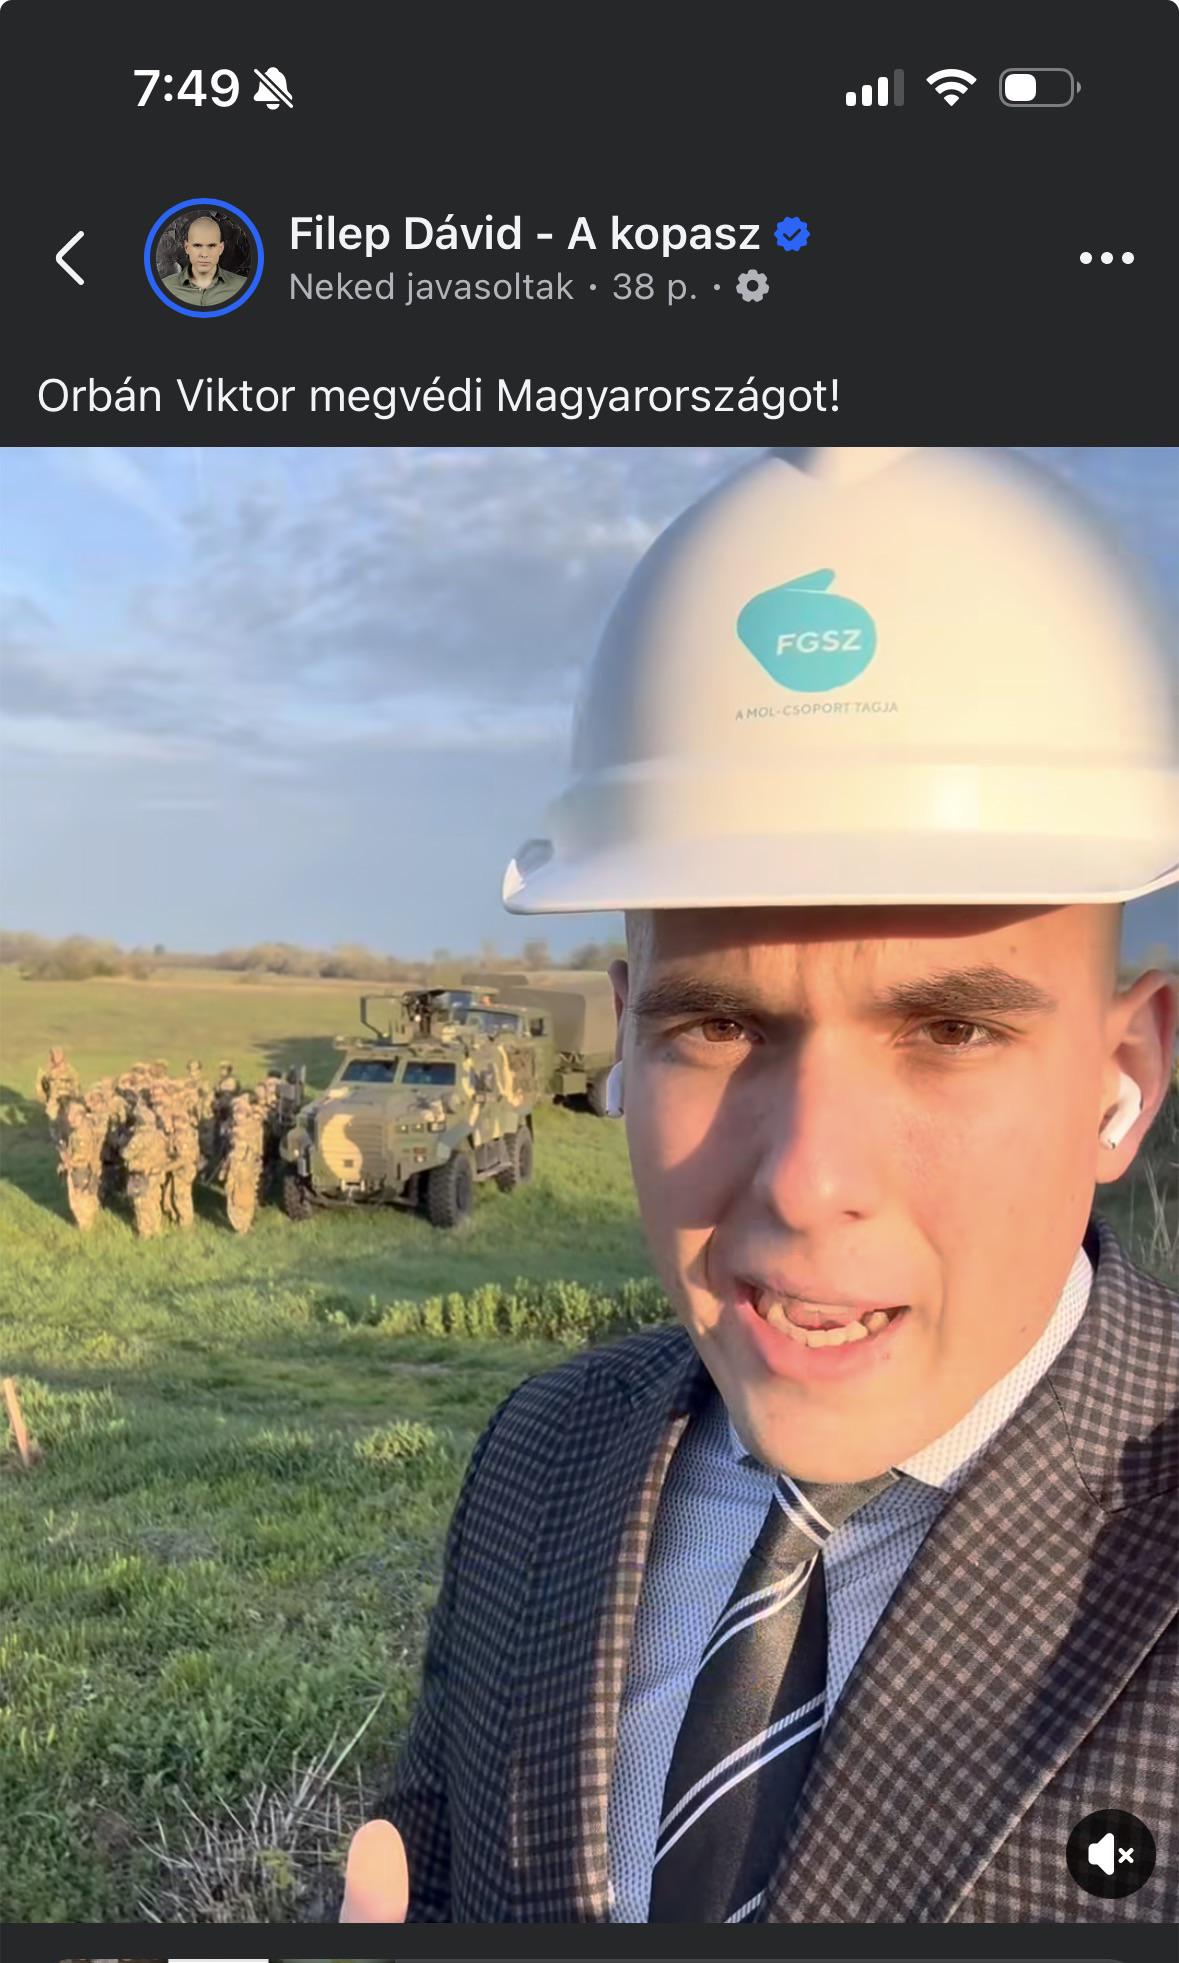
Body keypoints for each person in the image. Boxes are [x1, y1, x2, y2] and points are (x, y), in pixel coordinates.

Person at [341, 448, 1179, 1925]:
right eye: (718, 1026)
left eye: (950, 1031)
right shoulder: (542, 1459)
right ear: (626, 1032)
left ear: (1124, 1072)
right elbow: (440, 1855)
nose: (805, 1181)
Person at [159, 212, 247, 309]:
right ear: (187, 247)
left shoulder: (243, 286)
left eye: (211, 245)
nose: (204, 254)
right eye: (197, 245)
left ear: (221, 248)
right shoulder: (164, 287)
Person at [121, 1098, 169, 1238]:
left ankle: (145, 1232)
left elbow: (126, 1154)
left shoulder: (139, 1137)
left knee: (141, 1203)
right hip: (157, 1173)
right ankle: (156, 1228)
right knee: (154, 1200)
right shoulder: (160, 1135)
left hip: (142, 1174)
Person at [222, 1089, 265, 1232]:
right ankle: (241, 1223)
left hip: (245, 1167)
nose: (236, 1116)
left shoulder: (252, 1128)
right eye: (235, 1113)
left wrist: (246, 1166)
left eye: (240, 1113)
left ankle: (242, 1225)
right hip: (235, 1165)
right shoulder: (235, 1128)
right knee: (233, 1194)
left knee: (243, 1195)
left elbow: (254, 1150)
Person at [34, 1046, 81, 1125]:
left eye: (59, 1054)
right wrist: (43, 1098)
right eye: (54, 1054)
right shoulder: (45, 1070)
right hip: (53, 1099)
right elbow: (39, 1085)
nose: (56, 1056)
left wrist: (74, 1096)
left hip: (68, 1098)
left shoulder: (70, 1070)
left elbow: (76, 1084)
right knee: (53, 1118)